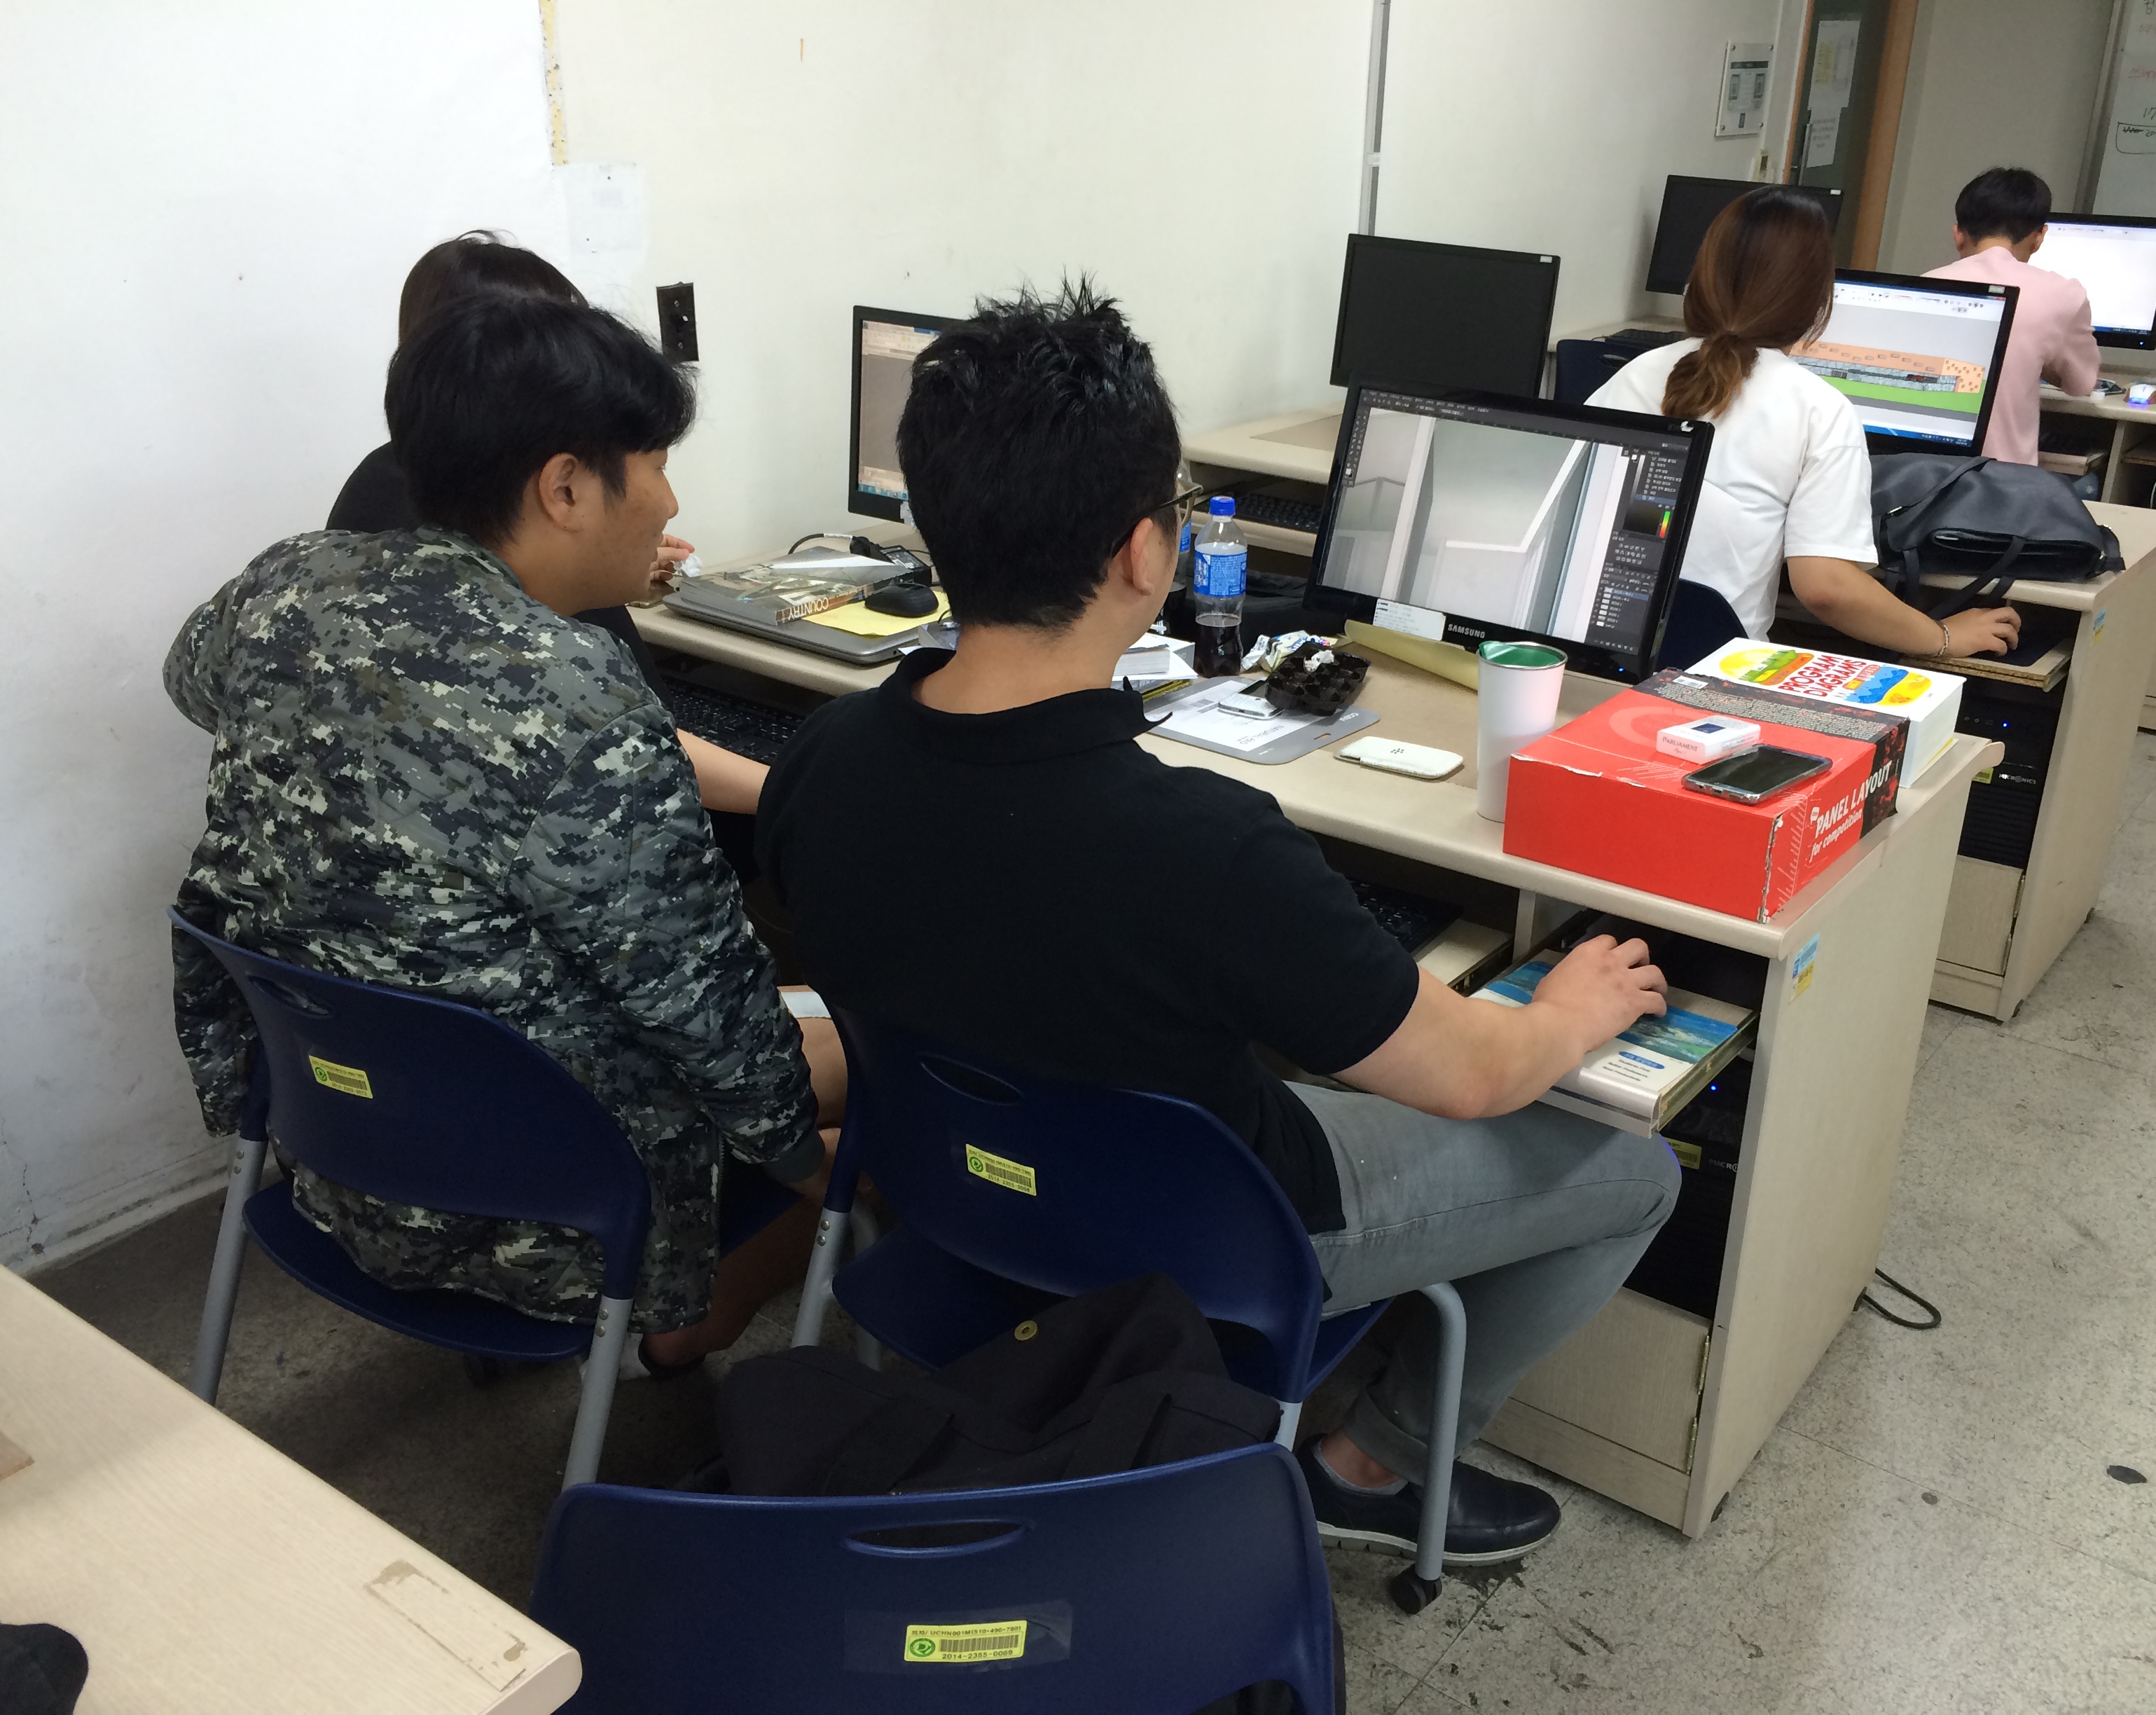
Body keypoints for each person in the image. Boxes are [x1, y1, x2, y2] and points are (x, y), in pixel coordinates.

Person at [753, 282, 1681, 1563]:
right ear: (1147, 553)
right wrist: (1571, 1012)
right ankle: (1372, 1465)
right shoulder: (1205, 847)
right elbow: (1474, 1076)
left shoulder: (820, 761)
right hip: (1219, 1232)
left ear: (928, 517)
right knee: (1638, 1170)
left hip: (957, 1192)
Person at [168, 294, 840, 1375]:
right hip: (555, 1209)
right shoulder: (575, 694)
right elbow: (705, 1010)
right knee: (877, 1074)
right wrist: (806, 1165)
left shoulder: (284, 581)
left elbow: (191, 681)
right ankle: (677, 1334)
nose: (670, 499)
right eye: (657, 464)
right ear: (565, 487)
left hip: (339, 1149)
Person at [329, 231, 770, 823]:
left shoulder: (366, 501)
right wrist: (797, 789)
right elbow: (631, 747)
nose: (670, 502)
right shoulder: (559, 665)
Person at [1592, 186, 2021, 661]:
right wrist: (1943, 636)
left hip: (1594, 651)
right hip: (1710, 671)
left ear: (1702, 279)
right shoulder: (1819, 409)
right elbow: (1826, 588)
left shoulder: (1634, 375)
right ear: (1818, 302)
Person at [1926, 166, 2101, 467]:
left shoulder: (1926, 284)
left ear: (1958, 234)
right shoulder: (2063, 294)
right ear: (2039, 237)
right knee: (2088, 483)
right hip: (2003, 479)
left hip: (1919, 472)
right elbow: (2081, 385)